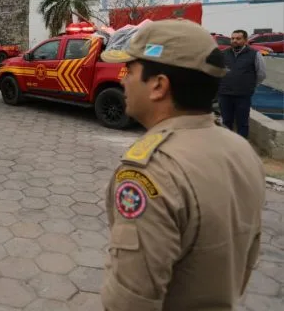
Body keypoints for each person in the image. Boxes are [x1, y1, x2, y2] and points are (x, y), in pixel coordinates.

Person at [99, 19, 265, 310]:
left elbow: (130, 301)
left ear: (158, 86)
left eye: (130, 70)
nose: (122, 79)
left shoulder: (151, 172)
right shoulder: (241, 149)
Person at [218, 29, 267, 139]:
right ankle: (227, 145)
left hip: (243, 95)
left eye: (238, 38)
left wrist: (249, 85)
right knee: (226, 121)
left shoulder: (254, 54)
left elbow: (261, 74)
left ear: (245, 40)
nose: (234, 40)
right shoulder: (224, 54)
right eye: (233, 38)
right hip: (225, 94)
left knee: (242, 122)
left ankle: (242, 147)